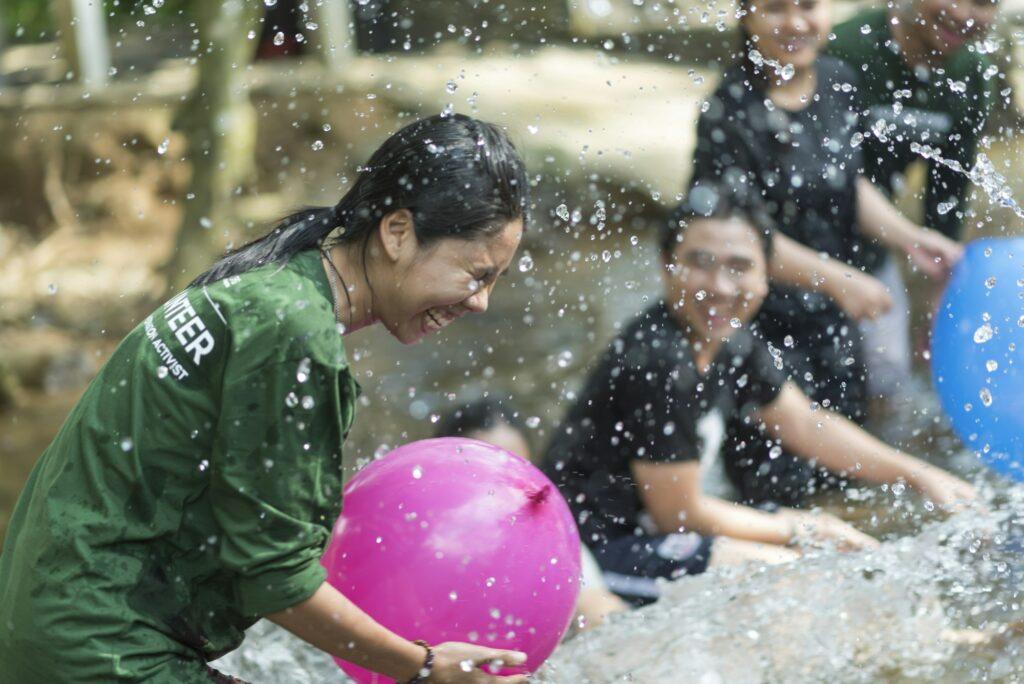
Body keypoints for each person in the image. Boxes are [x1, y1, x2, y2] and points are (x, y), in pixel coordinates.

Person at [0, 114, 532, 684]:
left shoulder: (269, 285)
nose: (480, 303)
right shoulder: (293, 333)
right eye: (477, 275)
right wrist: (423, 668)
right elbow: (275, 578)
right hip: (100, 651)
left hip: (49, 621)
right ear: (397, 232)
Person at [542, 185, 977, 607]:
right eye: (700, 263)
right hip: (588, 547)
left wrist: (918, 474)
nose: (721, 287)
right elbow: (680, 514)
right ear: (665, 265)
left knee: (830, 566)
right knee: (789, 577)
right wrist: (798, 528)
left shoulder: (729, 340)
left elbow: (804, 422)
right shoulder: (659, 361)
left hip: (654, 526)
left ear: (766, 273)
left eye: (738, 266)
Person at [689, 0, 964, 506]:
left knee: (846, 474)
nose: (795, 23)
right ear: (745, 16)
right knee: (776, 488)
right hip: (759, 325)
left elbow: (846, 183)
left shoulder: (839, 80)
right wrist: (838, 279)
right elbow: (735, 242)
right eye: (775, 9)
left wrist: (908, 236)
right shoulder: (728, 111)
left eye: (808, 7)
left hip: (832, 321)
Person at [827, 0, 1000, 394]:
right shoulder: (847, 50)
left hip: (874, 241)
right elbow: (821, 173)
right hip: (798, 233)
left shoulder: (969, 73)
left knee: (887, 374)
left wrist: (938, 299)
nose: (964, 13)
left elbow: (949, 192)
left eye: (985, 3)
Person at [435, 399, 628, 630]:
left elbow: (598, 611)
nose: (505, 488)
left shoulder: (552, 540)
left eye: (518, 469)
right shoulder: (433, 544)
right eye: (485, 471)